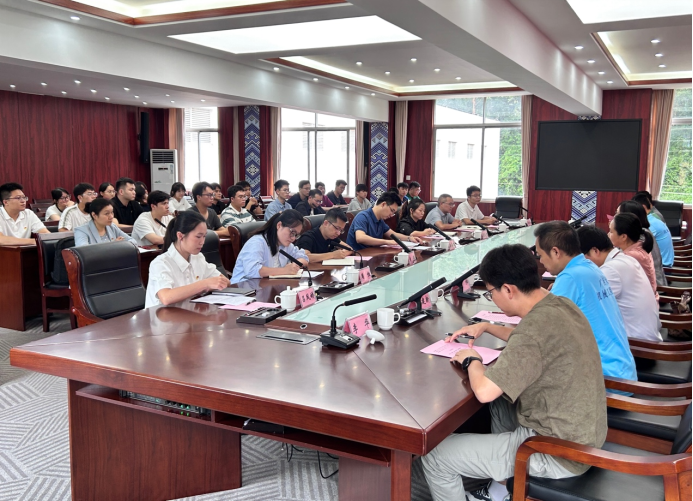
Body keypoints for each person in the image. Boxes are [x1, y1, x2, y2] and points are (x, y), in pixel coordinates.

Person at [423, 244, 607, 501]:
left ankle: (503, 474)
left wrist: (472, 360)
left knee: (435, 457)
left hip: (556, 451)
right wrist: (486, 326)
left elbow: (485, 391)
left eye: (491, 293)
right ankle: (500, 491)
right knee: (502, 402)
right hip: (582, 433)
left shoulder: (533, 331)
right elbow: (532, 340)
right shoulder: (560, 305)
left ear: (508, 289)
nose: (492, 298)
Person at [534, 221, 637, 382]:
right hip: (622, 370)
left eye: (540, 255)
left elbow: (542, 327)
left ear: (555, 252)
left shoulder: (570, 277)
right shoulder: (589, 267)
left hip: (606, 378)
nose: (540, 261)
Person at [578, 225, 661, 341]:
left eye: (583, 258)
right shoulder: (624, 259)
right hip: (646, 335)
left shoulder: (610, 270)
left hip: (637, 343)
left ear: (595, 251)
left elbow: (587, 307)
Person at [145, 211, 229, 308]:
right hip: (163, 316)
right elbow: (166, 297)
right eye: (198, 236)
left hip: (189, 314)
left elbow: (225, 281)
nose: (202, 242)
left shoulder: (198, 257)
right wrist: (204, 284)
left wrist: (211, 285)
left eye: (204, 236)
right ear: (180, 236)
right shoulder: (160, 263)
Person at [231, 209, 309, 284]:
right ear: (279, 225)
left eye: (296, 235)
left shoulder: (286, 245)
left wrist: (295, 265)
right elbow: (252, 271)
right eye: (292, 232)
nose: (293, 238)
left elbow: (304, 258)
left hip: (266, 287)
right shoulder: (257, 242)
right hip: (242, 288)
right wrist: (285, 270)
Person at [346, 191, 422, 251]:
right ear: (383, 204)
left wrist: (409, 238)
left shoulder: (380, 220)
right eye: (392, 210)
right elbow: (360, 238)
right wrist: (386, 242)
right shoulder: (363, 216)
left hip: (372, 254)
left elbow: (392, 234)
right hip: (358, 256)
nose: (391, 215)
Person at [608, 212, 659, 300]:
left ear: (623, 237)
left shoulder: (631, 256)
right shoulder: (639, 245)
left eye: (611, 232)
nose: (608, 234)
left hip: (643, 303)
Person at [618, 200, 667, 286]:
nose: (614, 217)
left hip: (656, 287)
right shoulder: (643, 232)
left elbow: (618, 260)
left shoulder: (640, 237)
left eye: (618, 214)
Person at [633, 193, 674, 267]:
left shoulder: (650, 223)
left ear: (643, 207)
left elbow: (639, 245)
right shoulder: (652, 218)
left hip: (663, 265)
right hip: (665, 261)